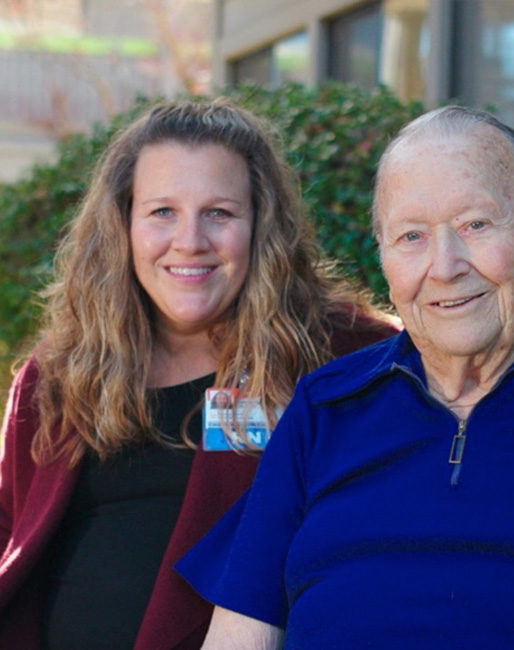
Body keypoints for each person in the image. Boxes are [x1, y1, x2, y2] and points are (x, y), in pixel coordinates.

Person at [179, 105, 514, 649]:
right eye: (411, 237)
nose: (445, 265)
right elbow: (241, 633)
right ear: (381, 255)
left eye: (475, 224)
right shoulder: (327, 407)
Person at [0, 99, 397, 649]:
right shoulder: (56, 377)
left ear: (261, 224)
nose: (190, 241)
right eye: (162, 211)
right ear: (123, 223)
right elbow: (12, 533)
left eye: (220, 213)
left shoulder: (345, 357)